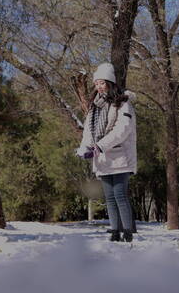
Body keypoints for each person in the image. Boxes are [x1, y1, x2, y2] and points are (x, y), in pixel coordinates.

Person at [76, 63, 137, 242]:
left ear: (110, 82)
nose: (99, 87)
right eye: (96, 84)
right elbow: (88, 131)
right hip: (102, 159)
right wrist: (84, 148)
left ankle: (127, 232)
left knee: (120, 195)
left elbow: (122, 130)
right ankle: (114, 231)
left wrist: (101, 145)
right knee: (109, 198)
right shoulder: (94, 108)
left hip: (120, 157)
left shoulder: (123, 104)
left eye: (102, 83)